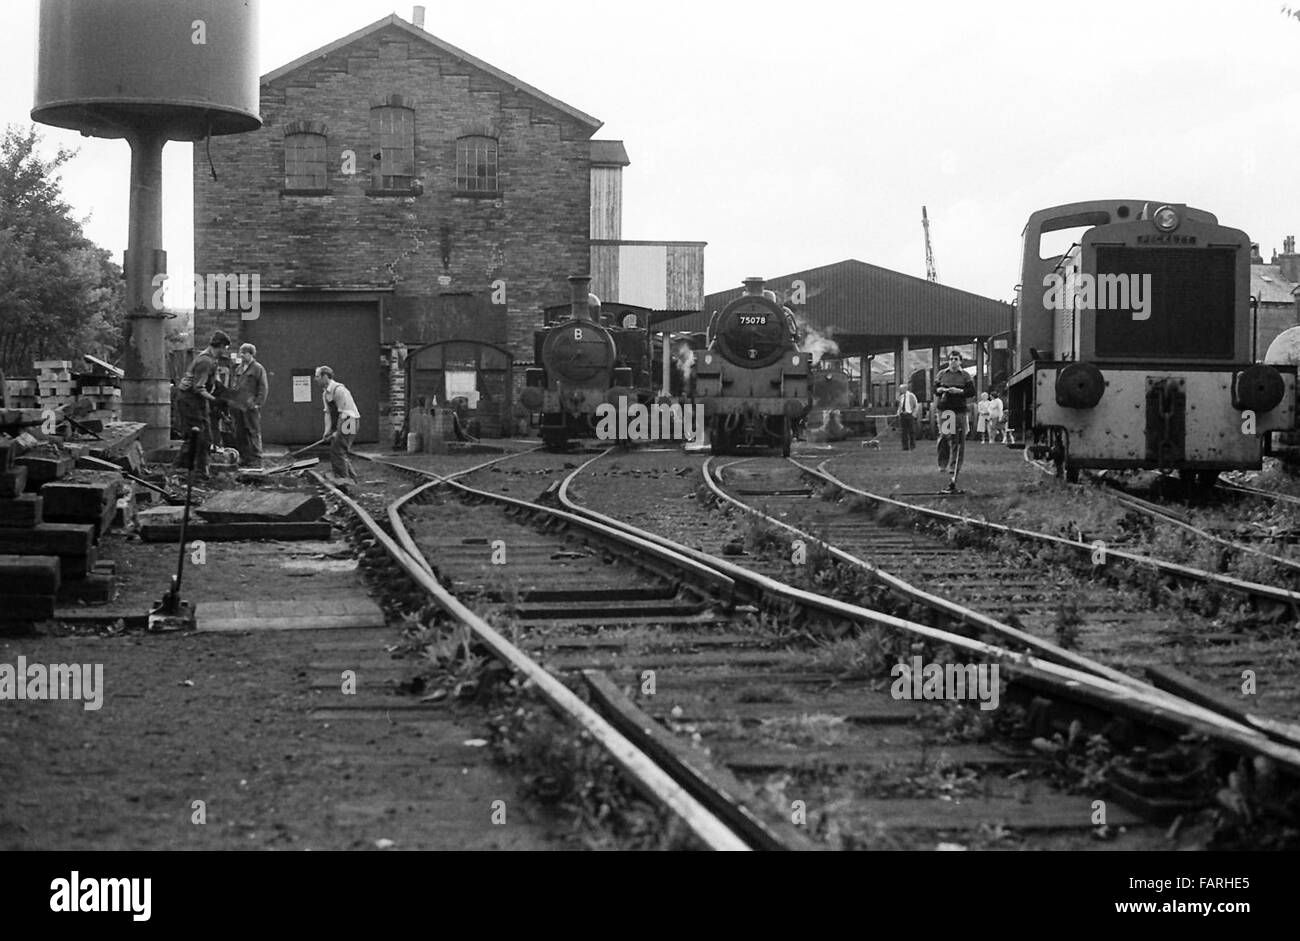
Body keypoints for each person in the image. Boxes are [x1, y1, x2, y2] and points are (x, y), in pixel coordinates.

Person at [173, 330, 231, 479]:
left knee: (206, 436)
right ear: (219, 346)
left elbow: (214, 381)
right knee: (196, 435)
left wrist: (225, 394)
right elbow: (198, 388)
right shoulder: (205, 361)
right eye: (225, 347)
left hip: (198, 400)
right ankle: (182, 469)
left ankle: (200, 470)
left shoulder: (212, 360)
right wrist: (215, 400)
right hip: (189, 399)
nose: (226, 351)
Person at [933, 350, 975, 492]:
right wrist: (941, 390)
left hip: (959, 410)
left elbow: (971, 392)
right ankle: (942, 463)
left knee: (958, 440)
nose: (953, 361)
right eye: (951, 359)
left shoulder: (965, 376)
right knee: (945, 437)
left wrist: (959, 391)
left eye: (956, 359)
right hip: (946, 410)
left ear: (960, 361)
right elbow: (935, 389)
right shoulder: (941, 374)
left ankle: (955, 466)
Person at [315, 365, 360, 482]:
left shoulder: (339, 390)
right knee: (339, 451)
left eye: (317, 376)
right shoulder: (325, 394)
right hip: (342, 421)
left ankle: (343, 479)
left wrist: (338, 431)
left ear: (325, 377)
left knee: (338, 451)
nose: (316, 379)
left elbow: (344, 412)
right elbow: (328, 413)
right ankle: (351, 478)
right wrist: (327, 431)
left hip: (349, 421)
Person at [231, 343, 268, 466]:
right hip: (239, 406)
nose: (241, 355)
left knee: (253, 431)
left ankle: (256, 458)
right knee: (240, 432)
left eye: (244, 353)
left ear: (251, 354)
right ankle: (244, 457)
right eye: (240, 352)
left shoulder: (258, 368)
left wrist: (258, 403)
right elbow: (235, 386)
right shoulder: (238, 369)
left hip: (251, 406)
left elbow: (263, 387)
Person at [896, 385, 919, 450]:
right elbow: (900, 406)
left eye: (901, 389)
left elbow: (916, 405)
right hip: (903, 415)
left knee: (911, 431)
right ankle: (905, 446)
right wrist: (898, 413)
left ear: (905, 389)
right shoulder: (901, 397)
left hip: (909, 415)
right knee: (904, 432)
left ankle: (912, 446)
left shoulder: (911, 395)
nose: (900, 390)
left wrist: (914, 414)